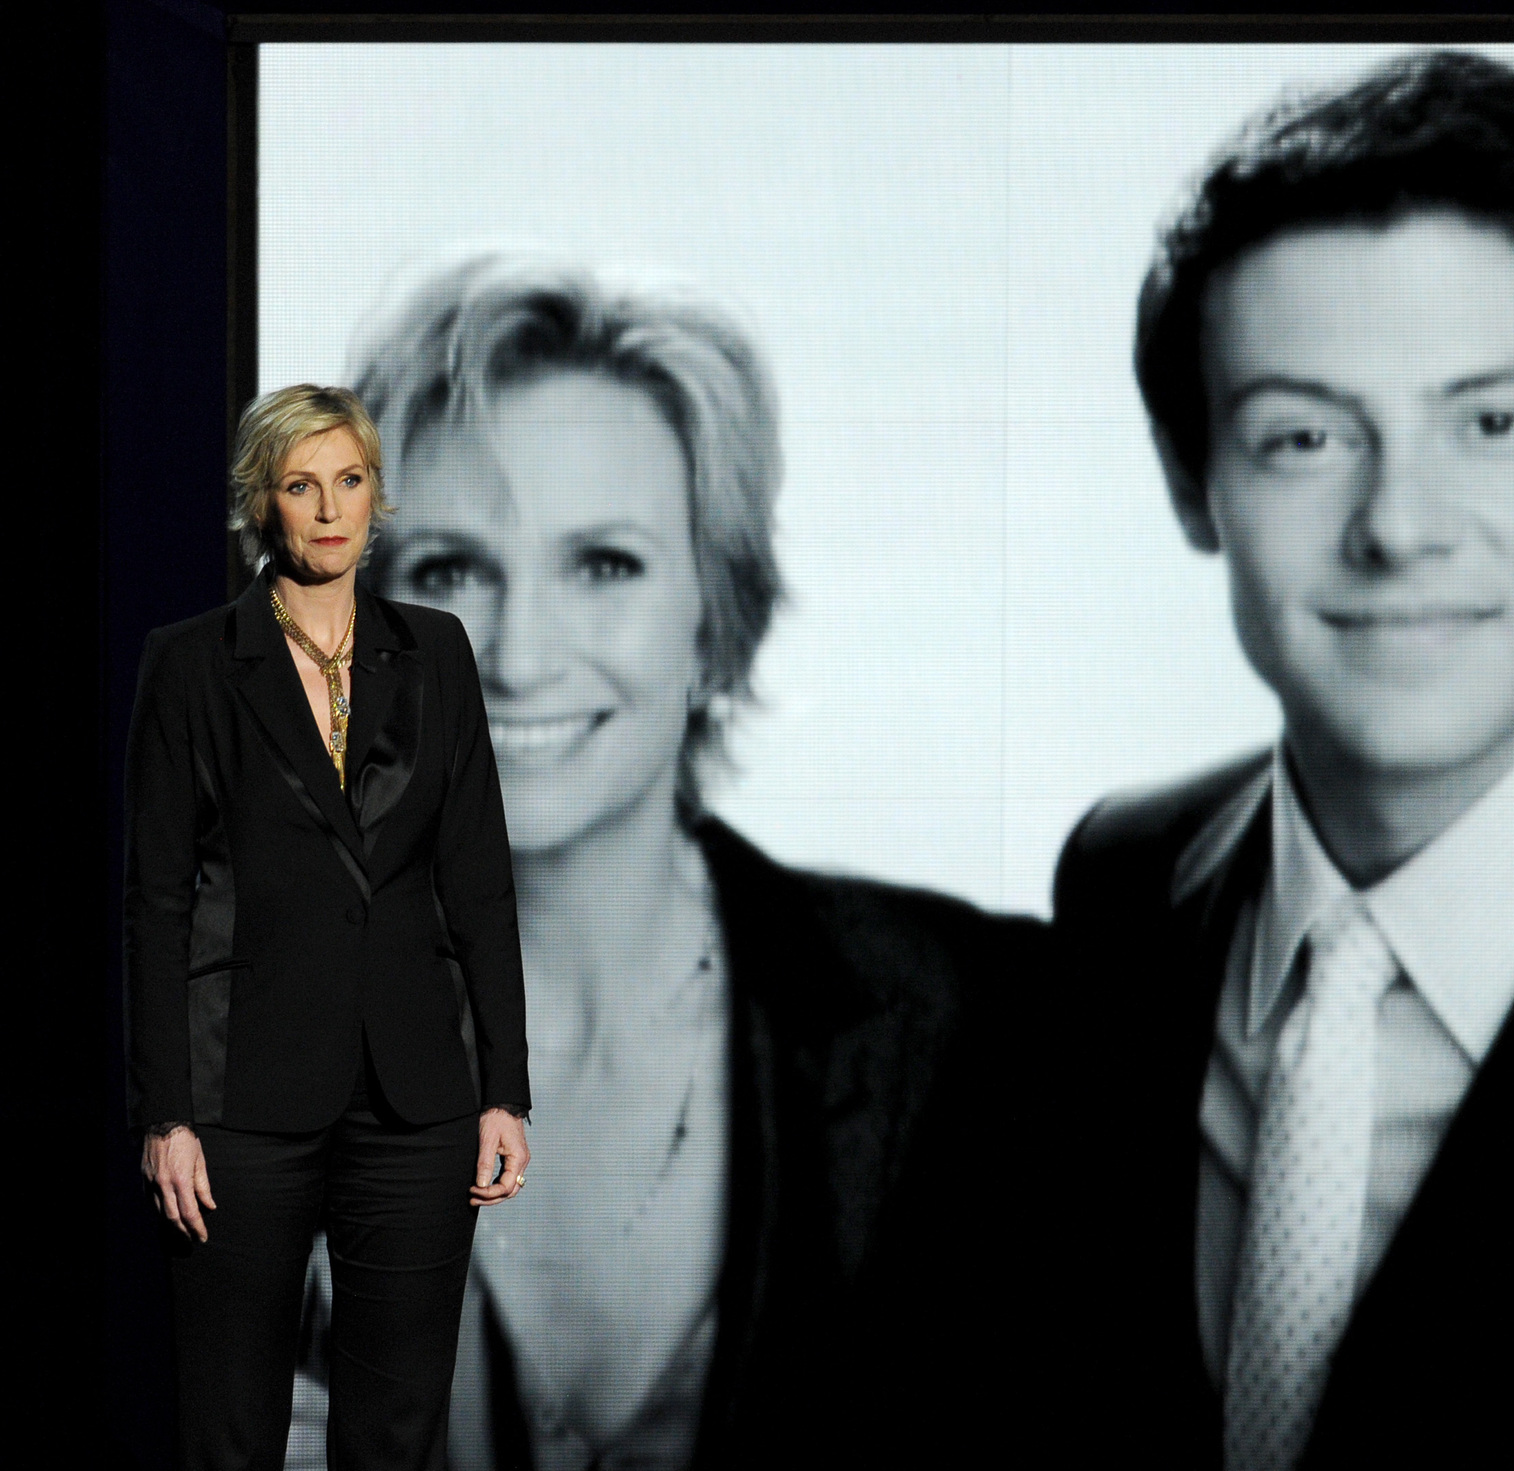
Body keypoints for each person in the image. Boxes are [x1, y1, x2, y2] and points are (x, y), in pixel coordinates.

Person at [1047, 51, 1514, 1469]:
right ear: (1194, 478)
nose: (1399, 523)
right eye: (1304, 436)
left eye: (1493, 422)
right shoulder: (1122, 885)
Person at [284, 249, 1047, 1470]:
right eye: (450, 571)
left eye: (604, 564)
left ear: (717, 621)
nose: (518, 654)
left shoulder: (978, 1020)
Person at [125, 383, 534, 1470]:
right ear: (262, 503)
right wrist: (166, 1112)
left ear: (376, 496)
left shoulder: (436, 653)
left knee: (396, 1435)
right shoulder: (192, 663)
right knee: (230, 1431)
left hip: (416, 1096)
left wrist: (504, 1088)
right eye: (301, 485)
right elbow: (156, 900)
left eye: (349, 480)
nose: (329, 508)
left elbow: (478, 880)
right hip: (240, 1102)